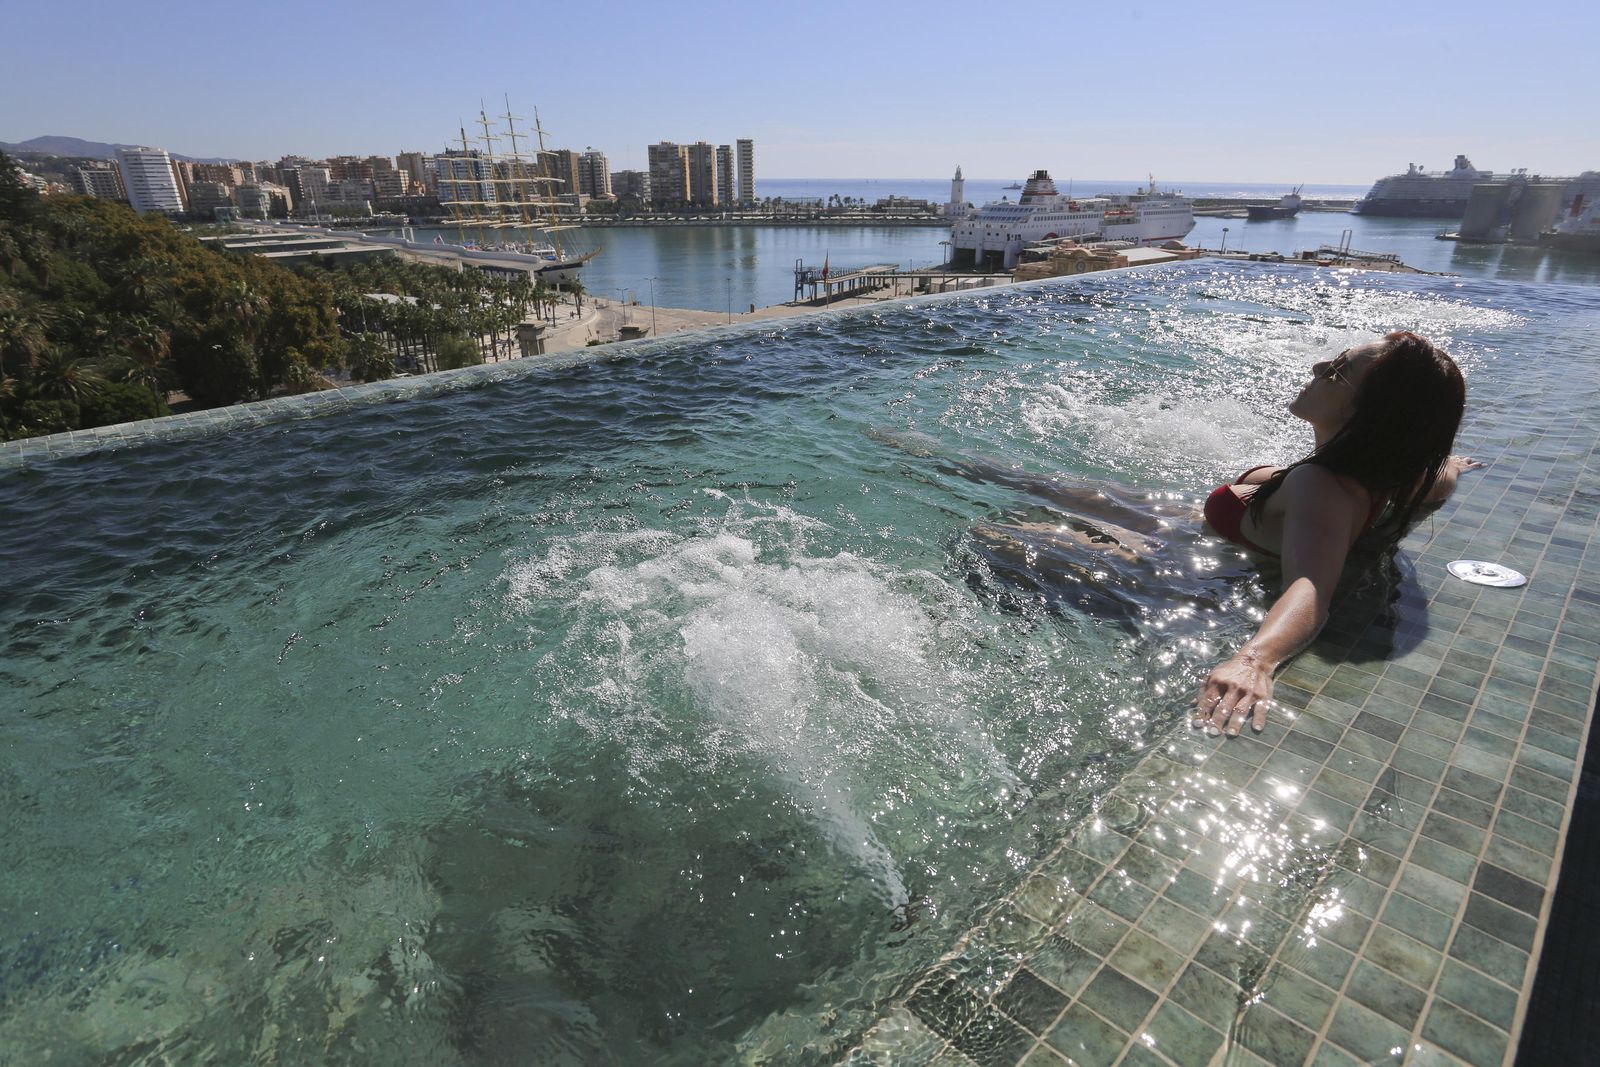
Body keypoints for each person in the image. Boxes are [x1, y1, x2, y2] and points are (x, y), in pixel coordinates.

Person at [1193, 330, 1476, 736]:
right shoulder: (1406, 477)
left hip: (1180, 554)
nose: (1319, 367)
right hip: (1203, 528)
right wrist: (1452, 463)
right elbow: (1441, 476)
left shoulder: (1320, 486)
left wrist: (1254, 660)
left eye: (1339, 370)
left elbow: (1310, 588)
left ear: (1369, 410)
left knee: (1068, 522)